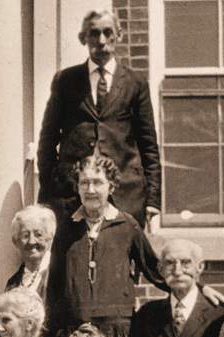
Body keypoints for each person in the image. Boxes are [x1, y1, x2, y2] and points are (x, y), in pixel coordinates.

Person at [48, 154, 224, 337]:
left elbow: (156, 270)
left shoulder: (126, 226)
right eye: (84, 183)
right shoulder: (66, 228)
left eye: (98, 182)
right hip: (75, 328)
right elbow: (54, 283)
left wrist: (200, 289)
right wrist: (53, 331)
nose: (90, 189)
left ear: (111, 186)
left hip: (116, 331)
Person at [36, 8, 161, 227]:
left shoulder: (135, 83)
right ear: (83, 38)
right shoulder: (66, 81)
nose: (101, 40)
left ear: (119, 35)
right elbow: (47, 140)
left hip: (126, 194)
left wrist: (152, 199)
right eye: (94, 33)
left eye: (107, 32)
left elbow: (148, 145)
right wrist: (48, 192)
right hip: (72, 195)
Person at [4, 205, 55, 300]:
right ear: (15, 241)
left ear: (50, 237)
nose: (31, 241)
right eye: (25, 235)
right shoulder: (12, 283)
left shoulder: (60, 273)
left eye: (38, 234)